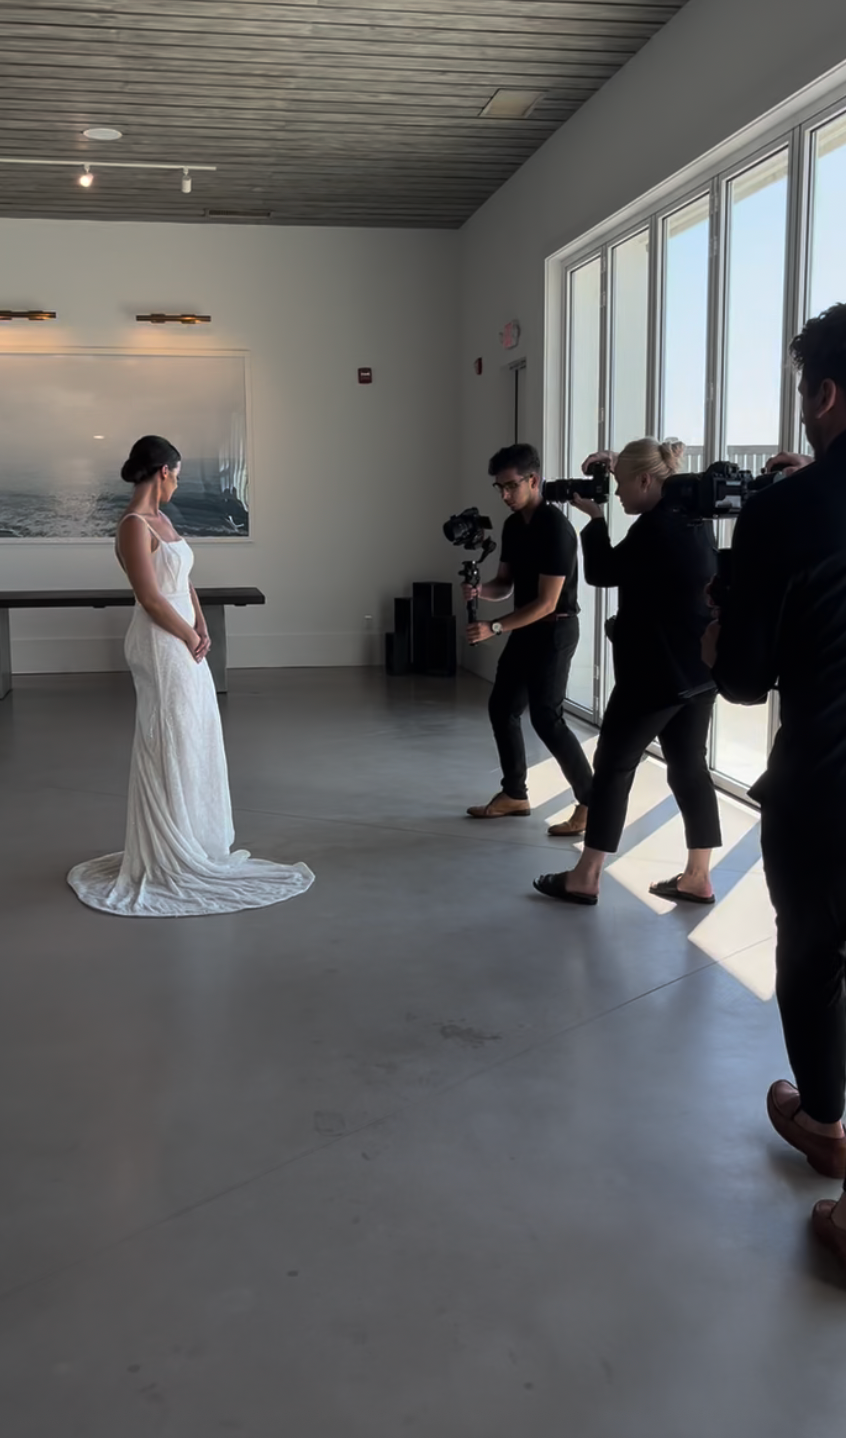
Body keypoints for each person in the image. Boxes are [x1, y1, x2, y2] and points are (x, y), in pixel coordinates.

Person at [705, 304, 846, 1266]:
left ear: (825, 393)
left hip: (828, 782)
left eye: (803, 394)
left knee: (812, 952)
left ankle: (828, 1124)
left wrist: (724, 625)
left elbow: (746, 679)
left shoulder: (781, 512)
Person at [67, 435, 314, 917]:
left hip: (181, 636)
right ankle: (169, 844)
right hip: (160, 643)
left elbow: (183, 582)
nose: (178, 482)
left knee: (195, 734)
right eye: (176, 473)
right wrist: (187, 634)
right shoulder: (133, 526)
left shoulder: (164, 520)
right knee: (171, 737)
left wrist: (200, 623)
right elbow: (152, 597)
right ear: (162, 472)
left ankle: (198, 836)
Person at [533, 438, 721, 906]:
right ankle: (698, 876)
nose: (614, 495)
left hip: (656, 673)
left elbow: (602, 572)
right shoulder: (692, 518)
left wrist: (594, 520)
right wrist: (617, 464)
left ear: (644, 480)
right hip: (699, 669)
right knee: (689, 767)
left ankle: (586, 875)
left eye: (618, 486)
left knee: (613, 765)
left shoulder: (655, 528)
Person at [464, 443, 593, 834]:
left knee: (546, 718)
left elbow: (547, 602)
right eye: (498, 488)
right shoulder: (511, 524)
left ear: (532, 480)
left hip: (555, 629)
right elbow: (505, 584)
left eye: (510, 486)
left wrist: (495, 627)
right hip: (525, 627)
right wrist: (478, 589)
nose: (504, 495)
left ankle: (591, 802)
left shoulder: (556, 529)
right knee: (502, 707)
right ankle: (514, 794)